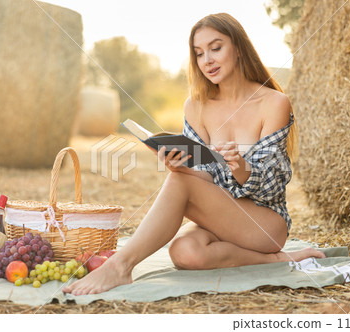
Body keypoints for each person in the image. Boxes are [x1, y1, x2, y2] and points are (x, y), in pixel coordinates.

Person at [63, 13, 325, 296]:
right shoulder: (197, 106)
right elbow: (205, 179)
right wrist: (181, 166)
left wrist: (240, 167)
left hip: (264, 223)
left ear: (238, 48)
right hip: (220, 218)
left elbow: (273, 186)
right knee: (185, 252)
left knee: (179, 184)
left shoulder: (273, 102)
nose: (207, 60)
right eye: (199, 54)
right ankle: (276, 261)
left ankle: (120, 266)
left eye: (216, 48)